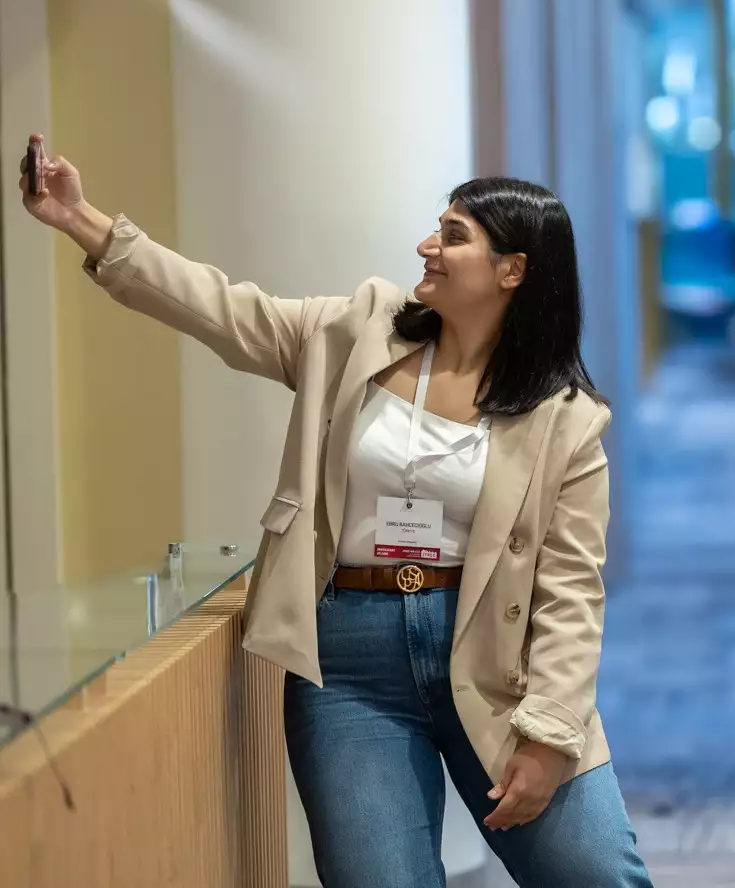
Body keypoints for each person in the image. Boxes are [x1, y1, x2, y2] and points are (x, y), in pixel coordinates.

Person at [18, 136, 654, 888]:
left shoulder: (566, 419)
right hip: (350, 666)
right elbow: (216, 307)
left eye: (454, 236)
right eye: (436, 229)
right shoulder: (355, 333)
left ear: (512, 270)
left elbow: (572, 591)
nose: (428, 246)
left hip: (497, 662)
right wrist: (80, 218)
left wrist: (549, 736)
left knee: (598, 875)